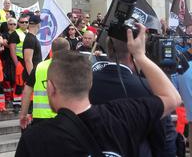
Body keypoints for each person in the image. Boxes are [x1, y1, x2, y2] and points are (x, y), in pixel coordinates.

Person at [15, 24, 182, 157]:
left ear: (50, 88)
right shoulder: (123, 114)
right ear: (89, 83)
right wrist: (140, 55)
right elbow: (172, 97)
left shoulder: (34, 138)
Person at [90, 37, 177, 156]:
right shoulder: (150, 89)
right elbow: (163, 139)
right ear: (134, 53)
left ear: (109, 48)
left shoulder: (86, 83)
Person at [20, 37, 70, 129]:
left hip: (40, 117)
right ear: (68, 50)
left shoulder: (39, 67)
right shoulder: (72, 68)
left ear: (52, 50)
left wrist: (23, 114)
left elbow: (27, 92)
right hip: (65, 117)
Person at [9, 15, 29, 113]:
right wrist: (17, 64)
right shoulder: (15, 34)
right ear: (18, 23)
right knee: (18, 83)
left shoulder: (29, 33)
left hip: (28, 61)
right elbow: (12, 50)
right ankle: (16, 104)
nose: (24, 24)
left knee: (27, 83)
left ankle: (25, 103)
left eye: (26, 22)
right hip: (19, 62)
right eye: (22, 22)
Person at [1, 17, 17, 106]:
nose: (12, 26)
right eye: (10, 24)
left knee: (15, 80)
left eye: (14, 24)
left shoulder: (19, 34)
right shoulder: (4, 34)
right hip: (6, 59)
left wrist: (10, 44)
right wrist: (13, 45)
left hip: (16, 60)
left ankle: (15, 98)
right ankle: (7, 98)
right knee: (6, 79)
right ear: (7, 25)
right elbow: (4, 43)